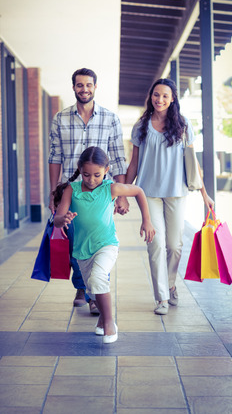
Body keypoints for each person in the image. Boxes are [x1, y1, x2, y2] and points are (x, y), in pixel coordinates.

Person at [126, 78, 214, 315]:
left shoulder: (184, 126)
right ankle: (162, 297)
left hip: (176, 192)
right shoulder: (141, 126)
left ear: (173, 98)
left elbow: (193, 163)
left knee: (174, 246)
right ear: (151, 96)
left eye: (165, 95)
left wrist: (205, 195)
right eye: (156, 95)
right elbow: (134, 164)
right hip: (148, 194)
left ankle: (171, 283)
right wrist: (122, 193)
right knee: (156, 244)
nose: (160, 99)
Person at [53, 146, 155, 343]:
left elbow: (139, 191)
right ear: (79, 169)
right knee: (92, 287)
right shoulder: (70, 190)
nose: (91, 180)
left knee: (98, 277)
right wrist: (62, 219)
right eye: (86, 175)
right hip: (82, 250)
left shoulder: (111, 188)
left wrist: (147, 220)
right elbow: (57, 218)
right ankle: (102, 319)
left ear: (106, 170)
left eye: (97, 175)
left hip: (106, 244)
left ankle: (109, 323)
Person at [48, 68, 129, 314]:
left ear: (95, 87)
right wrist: (53, 194)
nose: (84, 89)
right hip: (71, 191)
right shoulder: (59, 119)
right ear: (73, 87)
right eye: (80, 85)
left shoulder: (110, 118)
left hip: (101, 192)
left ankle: (93, 292)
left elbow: (118, 157)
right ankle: (82, 286)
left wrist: (122, 195)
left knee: (99, 240)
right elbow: (54, 158)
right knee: (76, 241)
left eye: (89, 85)